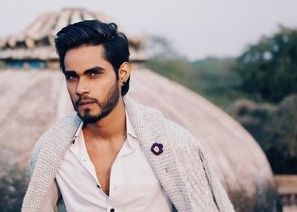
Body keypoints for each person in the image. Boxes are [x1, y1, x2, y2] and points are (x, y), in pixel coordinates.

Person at [22, 20, 234, 212]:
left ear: (122, 73)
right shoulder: (51, 151)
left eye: (94, 74)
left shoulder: (173, 144)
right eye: (72, 77)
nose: (81, 88)